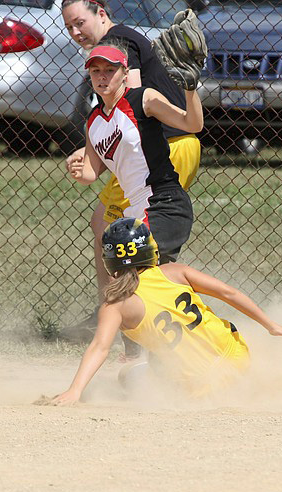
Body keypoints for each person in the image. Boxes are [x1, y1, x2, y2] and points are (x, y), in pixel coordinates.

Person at [49, 218, 282, 405]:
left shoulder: (115, 305)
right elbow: (229, 293)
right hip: (237, 356)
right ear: (150, 250)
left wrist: (75, 391)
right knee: (160, 358)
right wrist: (271, 325)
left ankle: (236, 390)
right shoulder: (174, 271)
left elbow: (99, 347)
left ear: (109, 262)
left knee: (128, 374)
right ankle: (259, 384)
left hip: (202, 385)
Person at [61, 0, 202, 330]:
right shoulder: (112, 49)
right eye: (68, 27)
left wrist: (98, 149)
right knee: (109, 229)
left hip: (169, 145)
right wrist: (91, 150)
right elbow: (112, 120)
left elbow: (133, 107)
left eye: (80, 22)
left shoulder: (118, 42)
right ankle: (119, 311)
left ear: (101, 13)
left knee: (128, 243)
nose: (75, 32)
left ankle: (119, 312)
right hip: (169, 143)